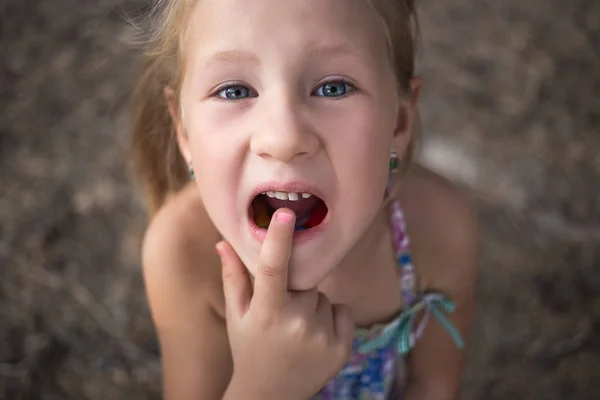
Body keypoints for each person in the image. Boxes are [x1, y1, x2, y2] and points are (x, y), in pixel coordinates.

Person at [130, 0, 479, 398]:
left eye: (333, 87)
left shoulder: (440, 231)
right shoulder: (181, 253)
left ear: (399, 121)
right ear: (184, 131)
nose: (283, 138)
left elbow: (434, 386)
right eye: (234, 90)